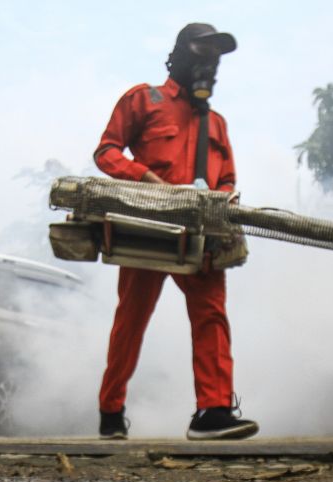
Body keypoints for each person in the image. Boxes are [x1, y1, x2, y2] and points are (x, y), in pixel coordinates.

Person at [93, 23, 258, 441]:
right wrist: (144, 176)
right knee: (130, 321)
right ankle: (111, 411)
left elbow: (229, 179)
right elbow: (106, 152)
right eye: (203, 52)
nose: (210, 64)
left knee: (212, 316)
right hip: (148, 229)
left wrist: (223, 202)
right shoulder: (143, 99)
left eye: (216, 57)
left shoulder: (216, 124)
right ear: (182, 54)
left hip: (199, 235)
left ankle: (213, 412)